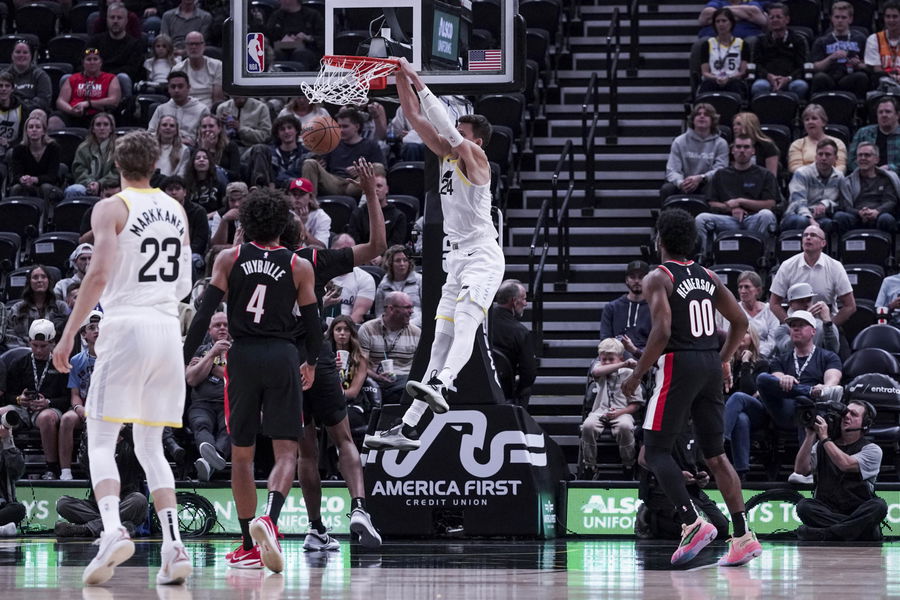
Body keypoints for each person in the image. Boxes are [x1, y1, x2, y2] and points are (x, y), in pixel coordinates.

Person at [51, 130, 194, 587]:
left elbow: (97, 274)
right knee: (151, 446)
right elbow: (185, 284)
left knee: (100, 437)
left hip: (128, 323)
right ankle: (173, 546)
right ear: (155, 165)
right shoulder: (176, 210)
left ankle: (112, 529)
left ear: (116, 164)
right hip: (168, 328)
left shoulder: (111, 207)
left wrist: (68, 334)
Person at [364, 58, 506, 451]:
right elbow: (413, 115)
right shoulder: (445, 154)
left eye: (462, 132)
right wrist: (399, 79)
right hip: (455, 261)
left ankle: (444, 382)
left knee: (464, 326)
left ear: (477, 141)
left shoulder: (477, 161)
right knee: (438, 339)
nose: (452, 134)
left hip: (482, 256)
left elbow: (444, 125)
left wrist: (416, 76)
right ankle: (408, 428)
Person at [182, 188, 321, 573]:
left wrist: (182, 358)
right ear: (282, 224)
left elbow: (203, 316)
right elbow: (315, 327)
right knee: (286, 452)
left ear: (245, 223)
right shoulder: (299, 265)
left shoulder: (229, 258)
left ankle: (247, 545)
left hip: (241, 356)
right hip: (282, 355)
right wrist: (310, 363)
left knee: (241, 456)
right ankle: (270, 519)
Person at [620, 207, 761, 567]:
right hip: (709, 362)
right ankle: (743, 536)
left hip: (678, 363)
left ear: (660, 240)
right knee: (716, 455)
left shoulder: (658, 276)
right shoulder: (708, 275)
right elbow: (740, 322)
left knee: (653, 452)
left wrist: (636, 374)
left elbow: (662, 331)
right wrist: (724, 360)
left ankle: (691, 522)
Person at [794, 401, 887, 541]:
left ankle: (824, 533)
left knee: (879, 506)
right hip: (828, 509)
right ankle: (861, 531)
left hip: (858, 509)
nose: (846, 416)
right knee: (804, 506)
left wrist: (824, 438)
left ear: (865, 423)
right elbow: (801, 470)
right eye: (845, 412)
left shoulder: (872, 450)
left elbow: (845, 464)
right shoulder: (821, 445)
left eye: (853, 414)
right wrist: (810, 435)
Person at [1, 319, 69, 480]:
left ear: (52, 343)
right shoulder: (19, 363)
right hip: (22, 409)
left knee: (47, 418)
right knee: (2, 412)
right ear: (29, 342)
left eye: (43, 346)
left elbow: (67, 399)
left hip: (49, 408)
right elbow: (7, 395)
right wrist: (19, 399)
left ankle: (51, 467)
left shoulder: (61, 365)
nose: (38, 350)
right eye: (35, 345)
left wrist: (48, 402)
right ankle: (6, 463)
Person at [756, 310, 843, 435]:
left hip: (813, 409)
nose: (796, 329)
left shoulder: (828, 356)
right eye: (793, 326)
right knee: (762, 378)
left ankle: (810, 395)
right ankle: (810, 391)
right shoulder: (780, 359)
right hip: (785, 409)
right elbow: (776, 378)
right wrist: (784, 378)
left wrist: (825, 387)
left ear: (813, 331)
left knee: (804, 404)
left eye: (801, 325)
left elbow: (832, 383)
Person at [696, 135, 779, 258]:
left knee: (767, 215)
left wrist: (741, 201)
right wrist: (730, 208)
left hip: (754, 219)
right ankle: (712, 257)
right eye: (738, 147)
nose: (742, 150)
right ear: (732, 150)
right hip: (728, 220)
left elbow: (770, 204)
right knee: (701, 219)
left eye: (746, 147)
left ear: (753, 151)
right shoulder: (720, 174)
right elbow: (711, 202)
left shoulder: (765, 174)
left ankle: (760, 257)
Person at [768, 224, 857, 328]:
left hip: (824, 325)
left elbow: (850, 306)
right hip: (796, 327)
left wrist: (830, 327)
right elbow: (774, 304)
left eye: (813, 235)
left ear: (823, 243)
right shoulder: (787, 265)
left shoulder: (835, 267)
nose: (808, 237)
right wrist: (790, 326)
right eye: (805, 235)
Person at [580, 337, 642, 480]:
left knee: (625, 427)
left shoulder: (629, 374)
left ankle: (628, 464)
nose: (607, 362)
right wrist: (623, 364)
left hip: (622, 412)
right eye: (604, 359)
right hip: (599, 411)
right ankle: (590, 465)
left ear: (620, 357)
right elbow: (596, 371)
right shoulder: (599, 369)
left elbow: (636, 405)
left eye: (611, 359)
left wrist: (619, 412)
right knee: (588, 426)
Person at [300, 106, 386, 198]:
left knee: (378, 167)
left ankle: (369, 202)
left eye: (345, 126)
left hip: (357, 184)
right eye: (339, 126)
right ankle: (309, 202)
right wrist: (318, 161)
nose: (341, 130)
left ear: (357, 127)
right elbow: (319, 163)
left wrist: (362, 170)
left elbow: (381, 170)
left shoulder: (371, 145)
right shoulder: (332, 143)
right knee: (309, 163)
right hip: (334, 182)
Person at [185, 311, 231, 482]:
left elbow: (237, 378)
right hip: (202, 403)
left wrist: (209, 367)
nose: (222, 328)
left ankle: (208, 462)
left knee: (231, 427)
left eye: (225, 325)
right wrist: (211, 354)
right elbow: (192, 379)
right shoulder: (200, 350)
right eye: (217, 325)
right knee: (201, 423)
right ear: (209, 330)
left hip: (229, 402)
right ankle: (212, 460)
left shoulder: (239, 350)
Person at [722, 324, 770, 481]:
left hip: (757, 411)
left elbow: (749, 391)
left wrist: (745, 362)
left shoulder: (762, 363)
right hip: (735, 414)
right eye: (738, 331)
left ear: (753, 338)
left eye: (746, 332)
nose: (741, 334)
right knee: (741, 419)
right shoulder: (726, 364)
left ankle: (720, 439)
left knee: (738, 397)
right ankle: (741, 472)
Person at [60, 311, 103, 481]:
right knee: (67, 419)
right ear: (84, 334)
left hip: (109, 409)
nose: (97, 330)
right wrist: (80, 410)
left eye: (100, 327)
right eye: (92, 327)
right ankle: (65, 471)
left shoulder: (116, 359)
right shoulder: (76, 361)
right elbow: (75, 394)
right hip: (85, 407)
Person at [358, 291, 421, 405]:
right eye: (407, 307)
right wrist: (377, 377)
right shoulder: (367, 329)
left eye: (411, 307)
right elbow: (361, 365)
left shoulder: (416, 333)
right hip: (374, 380)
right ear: (391, 309)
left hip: (403, 382)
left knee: (408, 388)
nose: (411, 311)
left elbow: (420, 367)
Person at [660, 103, 729, 200]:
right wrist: (681, 183)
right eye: (698, 114)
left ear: (712, 120)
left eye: (706, 114)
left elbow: (720, 169)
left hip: (707, 183)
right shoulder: (679, 141)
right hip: (684, 183)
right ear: (692, 119)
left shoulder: (721, 143)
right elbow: (672, 170)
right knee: (667, 189)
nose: (702, 116)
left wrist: (701, 178)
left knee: (714, 187)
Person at [834, 142, 900, 234]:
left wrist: (877, 211)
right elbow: (845, 206)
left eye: (867, 155)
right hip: (856, 217)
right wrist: (859, 213)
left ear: (876, 160)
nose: (863, 158)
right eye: (860, 155)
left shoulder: (887, 179)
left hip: (879, 216)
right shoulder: (848, 181)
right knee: (840, 216)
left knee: (887, 218)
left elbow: (890, 201)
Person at [489, 279, 537, 406]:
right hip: (507, 395)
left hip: (480, 388)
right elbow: (529, 374)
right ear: (514, 301)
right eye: (524, 299)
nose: (526, 304)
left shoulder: (481, 324)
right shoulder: (521, 332)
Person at [810, 2, 870, 99]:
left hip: (850, 77)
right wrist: (831, 58)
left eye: (843, 17)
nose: (840, 20)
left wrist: (859, 64)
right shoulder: (822, 41)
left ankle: (860, 105)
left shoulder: (861, 38)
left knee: (861, 77)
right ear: (831, 18)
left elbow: (869, 66)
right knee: (819, 77)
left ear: (850, 19)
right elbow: (815, 67)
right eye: (837, 17)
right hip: (829, 77)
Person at [749, 3, 809, 100]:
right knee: (759, 87)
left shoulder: (798, 40)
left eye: (778, 17)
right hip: (767, 79)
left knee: (800, 86)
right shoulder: (760, 41)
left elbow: (802, 65)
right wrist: (769, 76)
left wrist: (788, 78)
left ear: (787, 19)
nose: (775, 20)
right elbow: (756, 65)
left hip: (791, 79)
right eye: (771, 17)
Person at [784, 139, 843, 232]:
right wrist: (810, 220)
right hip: (797, 215)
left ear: (836, 158)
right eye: (820, 154)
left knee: (830, 223)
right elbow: (798, 203)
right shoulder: (802, 173)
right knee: (802, 221)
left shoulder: (839, 177)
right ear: (816, 157)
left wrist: (826, 204)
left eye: (827, 154)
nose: (823, 158)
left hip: (821, 217)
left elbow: (841, 203)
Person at [716, 271, 779, 357]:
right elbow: (729, 336)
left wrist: (756, 354)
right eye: (740, 287)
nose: (743, 291)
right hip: (736, 355)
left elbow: (773, 339)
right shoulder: (732, 309)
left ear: (758, 290)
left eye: (747, 287)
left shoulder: (769, 310)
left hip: (765, 356)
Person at [5, 265, 70, 348]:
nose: (39, 280)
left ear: (49, 281)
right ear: (29, 282)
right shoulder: (17, 308)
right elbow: (10, 335)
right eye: (35, 277)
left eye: (43, 277)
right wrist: (28, 349)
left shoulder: (61, 307)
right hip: (24, 352)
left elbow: (68, 333)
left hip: (55, 351)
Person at [55, 49, 122, 128]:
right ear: (83, 63)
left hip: (99, 115)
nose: (92, 62)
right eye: (89, 59)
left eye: (95, 59)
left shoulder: (111, 78)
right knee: (55, 119)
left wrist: (88, 104)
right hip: (73, 114)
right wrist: (71, 110)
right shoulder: (73, 78)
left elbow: (114, 101)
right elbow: (60, 101)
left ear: (101, 62)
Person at [599, 260, 651, 357]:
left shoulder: (655, 307)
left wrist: (635, 350)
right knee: (595, 365)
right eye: (632, 277)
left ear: (649, 280)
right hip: (617, 356)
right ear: (626, 280)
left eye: (641, 277)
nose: (636, 281)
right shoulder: (611, 307)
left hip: (646, 357)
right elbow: (605, 341)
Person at [772, 282, 840, 356]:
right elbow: (787, 349)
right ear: (791, 304)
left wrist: (827, 322)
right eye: (801, 301)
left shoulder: (823, 326)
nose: (806, 304)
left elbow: (833, 350)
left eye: (808, 300)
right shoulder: (782, 329)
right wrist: (803, 319)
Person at [8, 114, 62, 203]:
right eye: (30, 127)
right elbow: (16, 175)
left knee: (46, 187)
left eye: (38, 127)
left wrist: (35, 179)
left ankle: (47, 212)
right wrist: (22, 179)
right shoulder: (19, 149)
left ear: (43, 131)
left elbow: (52, 176)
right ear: (26, 131)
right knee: (17, 188)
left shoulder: (53, 148)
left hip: (48, 185)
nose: (34, 130)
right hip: (26, 184)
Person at [87, 2, 145, 86]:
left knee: (123, 77)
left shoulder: (135, 45)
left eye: (119, 18)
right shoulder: (95, 41)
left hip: (120, 84)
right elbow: (85, 60)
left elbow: (132, 70)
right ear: (107, 20)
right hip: (95, 81)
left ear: (126, 21)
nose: (115, 21)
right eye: (112, 17)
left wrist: (107, 76)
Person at [697, 8, 749, 98]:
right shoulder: (707, 44)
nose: (721, 24)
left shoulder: (742, 44)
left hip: (734, 79)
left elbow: (743, 72)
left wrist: (729, 78)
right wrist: (716, 78)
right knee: (706, 87)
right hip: (713, 79)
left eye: (724, 21)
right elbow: (705, 72)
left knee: (736, 86)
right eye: (717, 21)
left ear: (731, 23)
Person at [65, 112, 119, 199]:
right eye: (98, 125)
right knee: (73, 190)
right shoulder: (83, 148)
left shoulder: (119, 147)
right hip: (87, 185)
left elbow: (117, 172)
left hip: (111, 187)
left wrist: (100, 183)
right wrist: (90, 182)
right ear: (93, 129)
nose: (102, 128)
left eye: (106, 125)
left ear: (111, 129)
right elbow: (79, 170)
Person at [348, 171, 408, 247]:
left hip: (388, 254)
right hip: (362, 253)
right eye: (372, 186)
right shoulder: (357, 214)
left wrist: (381, 254)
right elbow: (354, 242)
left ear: (387, 189)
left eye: (379, 186)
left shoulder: (398, 216)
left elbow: (396, 243)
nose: (375, 189)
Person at [147, 71, 211, 144]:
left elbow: (206, 136)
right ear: (168, 89)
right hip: (163, 145)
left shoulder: (202, 110)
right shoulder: (161, 109)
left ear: (188, 87)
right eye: (173, 87)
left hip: (191, 147)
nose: (176, 90)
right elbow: (150, 133)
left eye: (180, 86)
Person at [787, 104, 848, 174]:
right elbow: (795, 167)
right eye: (807, 119)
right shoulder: (797, 144)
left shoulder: (838, 143)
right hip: (805, 178)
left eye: (814, 118)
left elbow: (841, 167)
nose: (810, 122)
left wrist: (827, 176)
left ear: (823, 122)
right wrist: (815, 176)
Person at [172, 31, 223, 110]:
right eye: (190, 44)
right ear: (185, 47)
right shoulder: (177, 69)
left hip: (209, 111)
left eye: (197, 44)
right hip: (185, 109)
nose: (194, 47)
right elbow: (177, 98)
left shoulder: (217, 66)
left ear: (204, 46)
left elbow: (217, 99)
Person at [847, 96, 900, 172]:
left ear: (897, 115)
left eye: (888, 112)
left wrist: (890, 169)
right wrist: (867, 170)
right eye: (880, 112)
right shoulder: (863, 133)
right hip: (865, 176)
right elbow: (851, 160)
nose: (884, 115)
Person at [373, 245, 422, 323]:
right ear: (390, 263)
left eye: (405, 260)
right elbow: (379, 314)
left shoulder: (419, 280)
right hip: (391, 326)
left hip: (416, 325)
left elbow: (427, 312)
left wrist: (409, 325)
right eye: (398, 261)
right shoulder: (383, 285)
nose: (402, 264)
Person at [4, 40, 51, 114]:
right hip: (7, 112)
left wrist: (21, 107)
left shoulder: (41, 75)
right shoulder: (3, 75)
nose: (21, 55)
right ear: (12, 55)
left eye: (25, 52)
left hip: (32, 113)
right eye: (18, 52)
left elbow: (43, 101)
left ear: (31, 56)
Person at [864, 0, 900, 94]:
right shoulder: (874, 39)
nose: (891, 20)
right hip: (883, 84)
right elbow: (877, 69)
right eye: (888, 16)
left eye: (895, 16)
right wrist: (893, 78)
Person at [731, 112, 779, 176]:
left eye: (739, 124)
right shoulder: (734, 147)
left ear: (749, 126)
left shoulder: (768, 146)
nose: (734, 127)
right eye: (734, 125)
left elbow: (772, 175)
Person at [288, 177, 331, 248]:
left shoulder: (322, 217)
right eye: (294, 194)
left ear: (310, 197)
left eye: (301, 194)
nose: (297, 197)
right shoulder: (286, 214)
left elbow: (322, 247)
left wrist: (301, 226)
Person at [698, 0, 765, 39]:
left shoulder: (751, 3)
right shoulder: (717, 2)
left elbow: (759, 17)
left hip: (748, 40)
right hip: (715, 41)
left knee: (753, 41)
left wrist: (723, 11)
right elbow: (705, 16)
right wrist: (744, 15)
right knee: (702, 42)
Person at [154, 115, 191, 179]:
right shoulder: (150, 147)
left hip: (172, 183)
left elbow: (181, 175)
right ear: (159, 129)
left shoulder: (184, 150)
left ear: (176, 131)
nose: (168, 128)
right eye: (164, 125)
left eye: (172, 126)